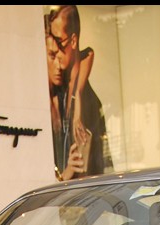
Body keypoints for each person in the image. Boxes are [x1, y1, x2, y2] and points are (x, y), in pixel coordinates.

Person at [45, 5, 112, 181]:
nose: (58, 56)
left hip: (87, 192)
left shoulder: (84, 97)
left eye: (59, 43)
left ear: (73, 41)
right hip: (70, 194)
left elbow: (88, 54)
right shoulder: (58, 94)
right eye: (52, 54)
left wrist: (77, 101)